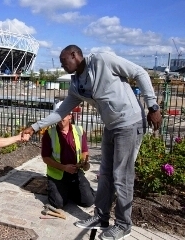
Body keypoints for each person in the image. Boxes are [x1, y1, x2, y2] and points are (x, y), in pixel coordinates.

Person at [22, 45, 162, 240]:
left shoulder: (103, 60)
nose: (62, 67)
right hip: (111, 127)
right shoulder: (76, 85)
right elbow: (60, 112)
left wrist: (152, 105)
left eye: (64, 62)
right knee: (104, 174)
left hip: (130, 123)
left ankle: (123, 225)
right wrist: (35, 127)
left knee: (122, 176)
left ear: (74, 55)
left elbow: (138, 72)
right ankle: (101, 217)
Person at [41, 101, 94, 209]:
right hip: (57, 174)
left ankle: (69, 189)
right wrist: (64, 167)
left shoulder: (79, 131)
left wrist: (83, 162)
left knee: (88, 201)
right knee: (58, 204)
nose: (59, 119)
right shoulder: (49, 133)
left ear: (70, 116)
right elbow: (46, 158)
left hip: (75, 172)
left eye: (62, 115)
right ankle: (56, 188)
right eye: (57, 116)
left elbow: (84, 151)